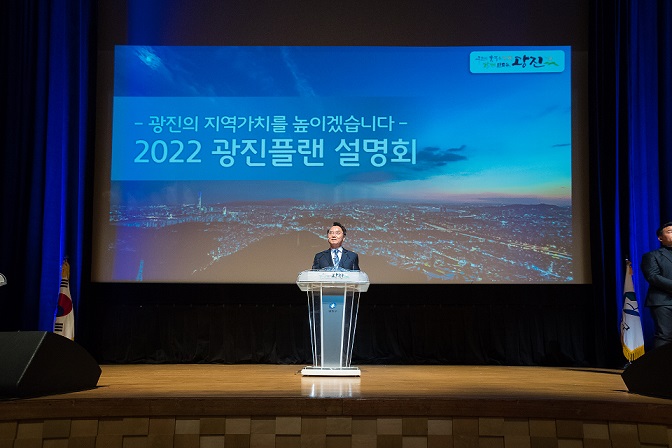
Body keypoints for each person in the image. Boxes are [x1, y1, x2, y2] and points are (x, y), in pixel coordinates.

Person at [641, 221, 672, 348]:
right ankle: (661, 361)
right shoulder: (651, 256)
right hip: (663, 301)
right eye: (670, 232)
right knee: (665, 336)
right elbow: (653, 277)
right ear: (660, 238)